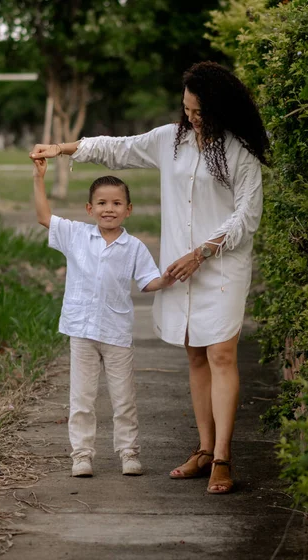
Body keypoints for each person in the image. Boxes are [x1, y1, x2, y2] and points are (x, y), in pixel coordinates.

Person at [30, 61, 269, 494]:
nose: (191, 119)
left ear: (220, 109)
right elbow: (116, 148)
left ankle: (222, 458)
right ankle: (203, 448)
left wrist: (205, 251)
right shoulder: (169, 142)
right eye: (187, 110)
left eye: (199, 112)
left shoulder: (241, 153)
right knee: (195, 352)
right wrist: (61, 148)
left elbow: (246, 216)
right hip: (181, 266)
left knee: (221, 354)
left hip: (221, 264)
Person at [31, 157, 174, 478]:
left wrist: (168, 279)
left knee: (124, 399)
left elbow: (148, 281)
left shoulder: (134, 246)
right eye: (102, 203)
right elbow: (43, 216)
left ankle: (129, 453)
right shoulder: (76, 235)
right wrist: (38, 178)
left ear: (129, 209)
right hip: (81, 331)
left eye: (116, 203)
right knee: (81, 399)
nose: (109, 208)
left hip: (117, 333)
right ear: (89, 208)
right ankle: (82, 455)